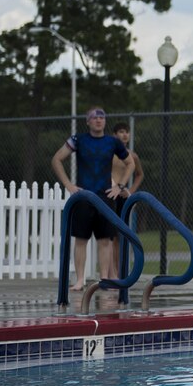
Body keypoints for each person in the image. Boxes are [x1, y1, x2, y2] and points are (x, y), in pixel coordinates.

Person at [51, 107, 134, 291]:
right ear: (87, 121)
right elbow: (57, 159)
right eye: (94, 118)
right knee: (81, 239)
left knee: (105, 240)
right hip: (84, 197)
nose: (98, 120)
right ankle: (80, 280)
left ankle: (104, 279)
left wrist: (119, 186)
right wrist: (69, 185)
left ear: (105, 121)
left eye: (101, 117)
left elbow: (130, 163)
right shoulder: (78, 140)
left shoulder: (113, 142)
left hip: (105, 197)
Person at [110, 122, 145, 280]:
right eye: (121, 132)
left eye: (127, 132)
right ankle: (111, 273)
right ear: (114, 135)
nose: (125, 135)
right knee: (109, 236)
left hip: (123, 196)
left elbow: (139, 175)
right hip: (110, 194)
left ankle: (120, 271)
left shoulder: (133, 155)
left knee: (120, 235)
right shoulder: (109, 152)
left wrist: (130, 192)